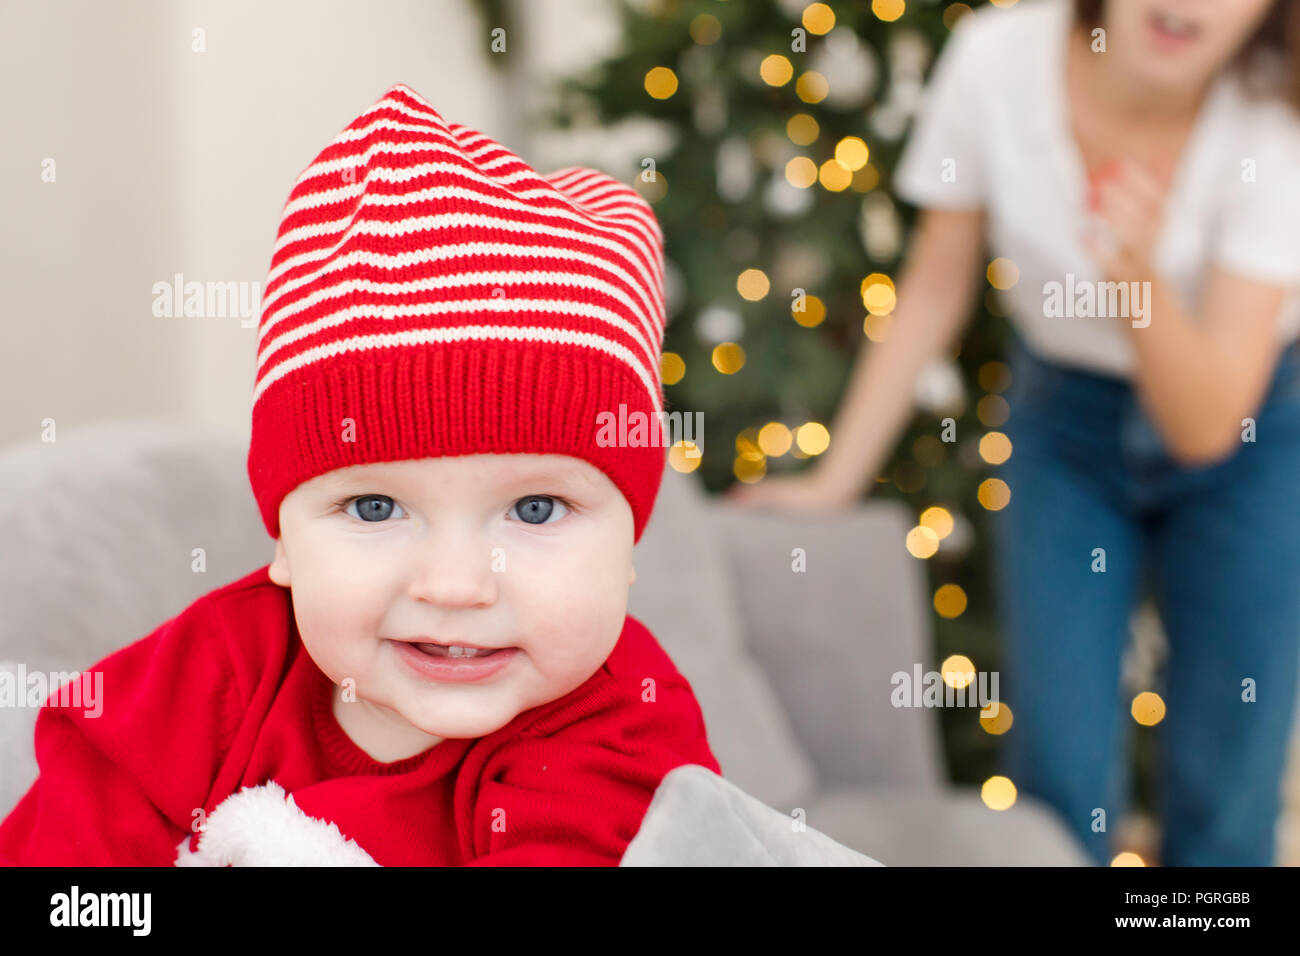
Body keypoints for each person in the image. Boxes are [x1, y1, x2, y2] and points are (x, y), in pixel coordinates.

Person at [0, 83, 720, 866]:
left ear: (629, 549)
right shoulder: (213, 674)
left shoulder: (622, 726)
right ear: (282, 538)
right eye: (375, 506)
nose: (454, 586)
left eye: (537, 509)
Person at [728, 0, 1300, 866]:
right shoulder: (998, 60)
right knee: (1059, 768)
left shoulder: (1276, 115)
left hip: (1248, 433)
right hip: (1065, 423)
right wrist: (831, 482)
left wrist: (1133, 274)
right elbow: (933, 284)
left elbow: (1205, 426)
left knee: (1229, 776)